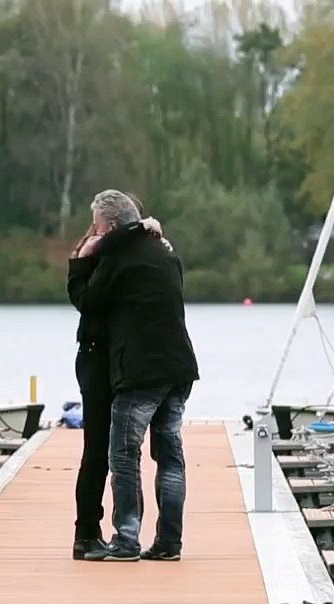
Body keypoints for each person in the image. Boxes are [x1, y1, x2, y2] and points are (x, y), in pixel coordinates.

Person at [73, 189, 199, 562]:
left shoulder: (117, 257)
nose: (94, 234)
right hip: (178, 367)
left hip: (139, 371)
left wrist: (82, 260)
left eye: (97, 227)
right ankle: (168, 543)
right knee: (170, 457)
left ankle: (126, 540)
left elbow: (87, 302)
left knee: (125, 456)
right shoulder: (166, 252)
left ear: (110, 226)